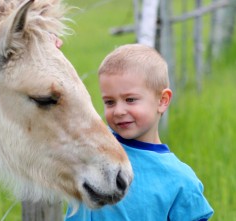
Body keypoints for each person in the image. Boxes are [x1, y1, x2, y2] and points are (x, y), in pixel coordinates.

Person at [64, 44, 214, 221]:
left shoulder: (180, 180)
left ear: (162, 101)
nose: (118, 111)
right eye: (110, 102)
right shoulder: (94, 153)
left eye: (130, 99)